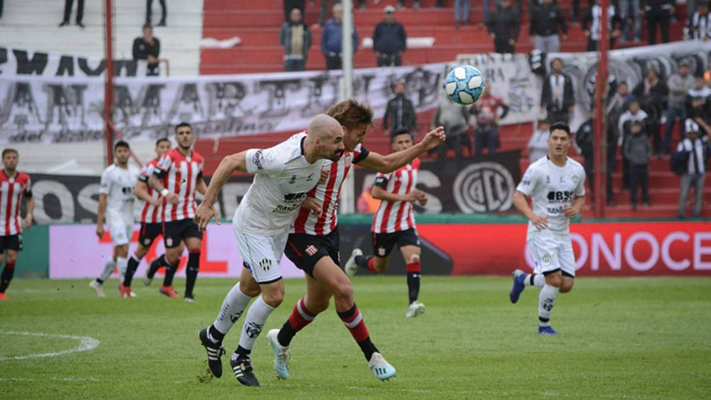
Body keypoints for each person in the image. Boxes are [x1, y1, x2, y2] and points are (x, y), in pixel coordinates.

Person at [264, 101, 445, 382]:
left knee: (317, 302)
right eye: (359, 132)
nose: (363, 139)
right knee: (344, 289)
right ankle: (374, 356)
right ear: (343, 129)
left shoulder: (351, 151)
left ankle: (281, 339)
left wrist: (423, 145)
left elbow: (386, 162)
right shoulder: (310, 148)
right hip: (299, 234)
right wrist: (302, 196)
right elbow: (275, 179)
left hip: (328, 233)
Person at [195, 115, 345, 386]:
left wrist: (305, 198)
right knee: (274, 295)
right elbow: (229, 161)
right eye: (337, 141)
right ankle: (241, 356)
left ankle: (214, 335)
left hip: (278, 229)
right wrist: (207, 202)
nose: (342, 146)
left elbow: (296, 179)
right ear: (318, 141)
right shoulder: (278, 158)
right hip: (254, 227)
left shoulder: (321, 155)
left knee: (250, 287)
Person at [508, 122, 587, 335]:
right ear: (548, 141)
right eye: (555, 138)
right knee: (554, 279)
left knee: (566, 284)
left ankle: (523, 279)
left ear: (569, 142)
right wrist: (531, 215)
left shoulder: (577, 170)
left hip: (563, 233)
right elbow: (518, 196)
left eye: (563, 139)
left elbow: (580, 195)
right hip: (541, 231)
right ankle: (544, 326)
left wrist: (576, 208)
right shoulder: (537, 169)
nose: (559, 142)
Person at [345, 128, 427, 318]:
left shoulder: (415, 162)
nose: (404, 145)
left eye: (407, 142)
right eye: (400, 142)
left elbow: (408, 189)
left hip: (406, 221)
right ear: (393, 146)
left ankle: (413, 303)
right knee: (379, 267)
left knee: (414, 258)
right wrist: (405, 197)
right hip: (385, 224)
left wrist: (417, 197)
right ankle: (358, 259)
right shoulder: (388, 165)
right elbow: (376, 192)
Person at [146, 123, 207, 302]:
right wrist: (166, 193)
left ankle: (188, 295)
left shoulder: (198, 159)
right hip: (171, 215)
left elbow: (198, 182)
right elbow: (152, 179)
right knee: (172, 258)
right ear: (176, 137)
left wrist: (210, 195)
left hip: (191, 213)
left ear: (193, 136)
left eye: (188, 133)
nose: (185, 136)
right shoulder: (169, 157)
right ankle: (156, 264)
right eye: (181, 133)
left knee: (195, 249)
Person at [120, 138, 172, 292]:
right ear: (156, 150)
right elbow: (138, 189)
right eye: (162, 147)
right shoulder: (150, 167)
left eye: (168, 147)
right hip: (151, 218)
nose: (165, 149)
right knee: (141, 250)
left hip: (170, 217)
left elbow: (183, 182)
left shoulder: (176, 168)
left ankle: (166, 285)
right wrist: (152, 200)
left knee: (176, 250)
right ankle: (126, 286)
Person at [89, 142, 140, 298]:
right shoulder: (109, 173)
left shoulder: (136, 172)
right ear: (115, 153)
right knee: (124, 249)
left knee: (118, 254)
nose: (122, 154)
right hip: (115, 215)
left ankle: (98, 282)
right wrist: (100, 224)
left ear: (129, 153)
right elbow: (103, 199)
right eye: (119, 151)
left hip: (129, 216)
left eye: (125, 151)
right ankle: (125, 288)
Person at [0, 149, 34, 300]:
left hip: (14, 224)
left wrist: (29, 214)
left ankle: (1, 291)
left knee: (12, 257)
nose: (11, 160)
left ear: (17, 160)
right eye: (8, 158)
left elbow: (30, 198)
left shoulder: (24, 179)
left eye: (14, 157)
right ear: (3, 160)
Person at [677, 120, 709, 219]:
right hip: (687, 173)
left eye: (694, 133)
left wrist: (703, 124)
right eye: (690, 133)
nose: (692, 135)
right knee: (684, 194)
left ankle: (696, 215)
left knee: (698, 195)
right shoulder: (683, 144)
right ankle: (681, 214)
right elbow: (678, 158)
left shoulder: (702, 143)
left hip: (700, 173)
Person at [633, 67, 669, 156]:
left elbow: (665, 95)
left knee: (657, 131)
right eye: (649, 73)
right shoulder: (643, 84)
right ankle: (645, 150)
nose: (650, 75)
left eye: (652, 73)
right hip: (645, 111)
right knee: (645, 131)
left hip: (656, 111)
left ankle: (658, 150)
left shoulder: (661, 84)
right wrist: (642, 100)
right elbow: (635, 93)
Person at [618, 99, 649, 191]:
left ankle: (641, 186)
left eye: (636, 106)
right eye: (632, 106)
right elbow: (621, 129)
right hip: (628, 142)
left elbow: (646, 128)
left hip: (640, 143)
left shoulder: (643, 116)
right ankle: (626, 184)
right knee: (627, 165)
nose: (634, 108)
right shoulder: (624, 117)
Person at [664, 62, 695, 154]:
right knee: (668, 128)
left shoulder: (691, 78)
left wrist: (681, 89)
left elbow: (692, 89)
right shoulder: (673, 78)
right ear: (679, 69)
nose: (684, 70)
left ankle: (683, 148)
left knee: (683, 130)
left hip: (684, 107)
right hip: (672, 106)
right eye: (682, 68)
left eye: (686, 68)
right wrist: (684, 90)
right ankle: (666, 150)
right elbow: (672, 88)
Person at [470, 86, 509, 155]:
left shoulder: (495, 99)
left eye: (488, 89)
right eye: (485, 89)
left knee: (492, 149)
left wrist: (500, 118)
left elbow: (506, 108)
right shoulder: (478, 100)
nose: (486, 91)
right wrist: (477, 110)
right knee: (478, 149)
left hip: (491, 126)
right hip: (479, 127)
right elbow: (471, 111)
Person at [433, 89, 470, 159]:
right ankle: (441, 169)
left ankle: (460, 168)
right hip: (443, 131)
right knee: (441, 151)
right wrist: (434, 128)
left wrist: (466, 127)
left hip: (456, 131)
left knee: (459, 151)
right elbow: (435, 118)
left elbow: (467, 116)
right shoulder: (441, 103)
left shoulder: (460, 103)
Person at [321, 3, 358, 70]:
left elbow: (354, 39)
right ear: (333, 13)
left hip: (345, 56)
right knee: (331, 77)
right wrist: (326, 52)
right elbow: (324, 39)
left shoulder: (349, 25)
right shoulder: (329, 24)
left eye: (340, 12)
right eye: (336, 12)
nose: (338, 14)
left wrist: (352, 52)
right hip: (331, 56)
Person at [625, 121, 652, 209]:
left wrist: (646, 157)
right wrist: (631, 158)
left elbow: (649, 149)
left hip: (644, 163)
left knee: (645, 183)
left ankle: (645, 200)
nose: (636, 129)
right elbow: (626, 150)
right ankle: (633, 201)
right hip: (634, 164)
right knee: (633, 184)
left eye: (637, 127)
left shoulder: (644, 138)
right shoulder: (629, 138)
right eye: (634, 127)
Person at [541, 58, 575, 125]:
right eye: (556, 64)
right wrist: (542, 104)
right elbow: (544, 92)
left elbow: (571, 92)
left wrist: (571, 104)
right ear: (552, 66)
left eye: (559, 64)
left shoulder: (566, 78)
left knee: (563, 126)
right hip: (551, 107)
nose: (558, 66)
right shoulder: (547, 79)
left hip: (564, 107)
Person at [280, 8, 312, 72]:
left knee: (300, 78)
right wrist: (287, 46)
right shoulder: (286, 26)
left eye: (297, 15)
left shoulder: (305, 27)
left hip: (301, 56)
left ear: (300, 16)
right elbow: (282, 39)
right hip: (289, 56)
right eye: (294, 15)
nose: (296, 17)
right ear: (291, 16)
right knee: (288, 78)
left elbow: (309, 41)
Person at [575, 116, 594, 194]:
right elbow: (578, 138)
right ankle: (593, 195)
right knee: (590, 173)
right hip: (589, 155)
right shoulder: (585, 125)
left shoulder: (606, 124)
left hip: (602, 156)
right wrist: (584, 150)